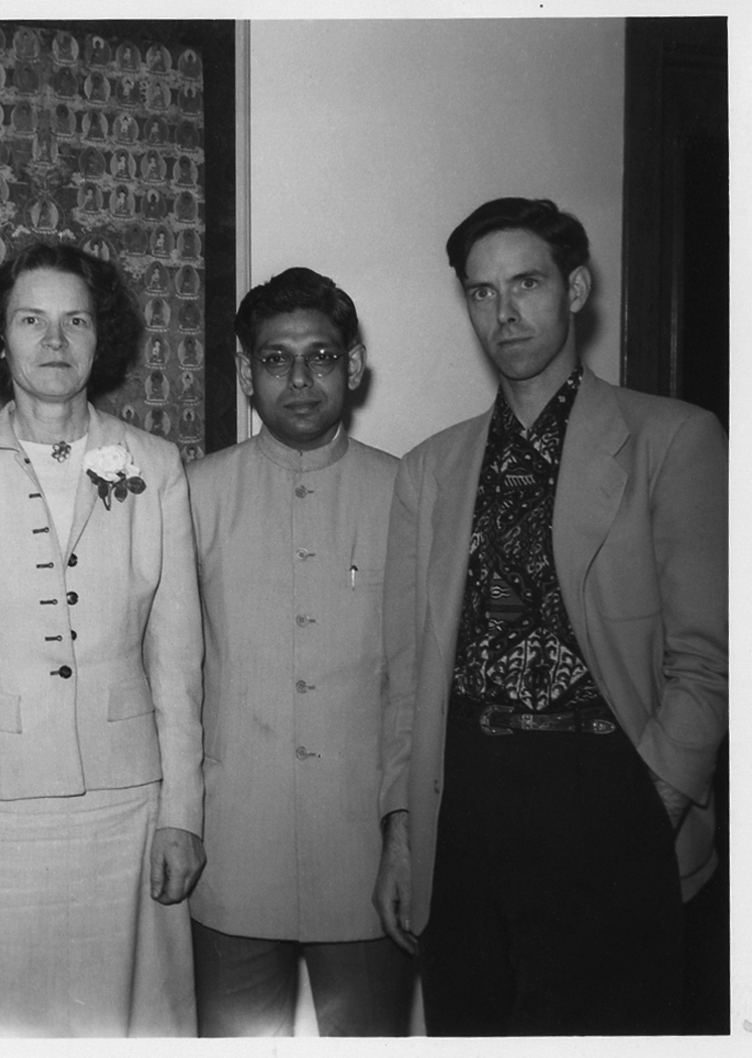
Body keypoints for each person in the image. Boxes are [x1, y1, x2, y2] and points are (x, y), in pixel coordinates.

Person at [373, 198, 727, 1035]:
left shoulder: (671, 439)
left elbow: (709, 655)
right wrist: (400, 830)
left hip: (606, 790)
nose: (504, 312)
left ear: (573, 288)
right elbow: (406, 671)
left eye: (524, 283)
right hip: (463, 799)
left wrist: (657, 801)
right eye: (481, 292)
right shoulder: (430, 468)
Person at [0, 243, 206, 1037]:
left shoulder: (153, 466)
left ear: (99, 338)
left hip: (124, 809)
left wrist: (182, 811)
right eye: (30, 320)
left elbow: (176, 664)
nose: (54, 340)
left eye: (74, 321)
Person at [185, 268, 412, 1036]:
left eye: (320, 356)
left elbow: (419, 686)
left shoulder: (408, 494)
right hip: (231, 856)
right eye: (275, 360)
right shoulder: (192, 495)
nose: (300, 378)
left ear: (351, 366)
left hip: (367, 861)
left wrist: (407, 835)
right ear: (248, 374)